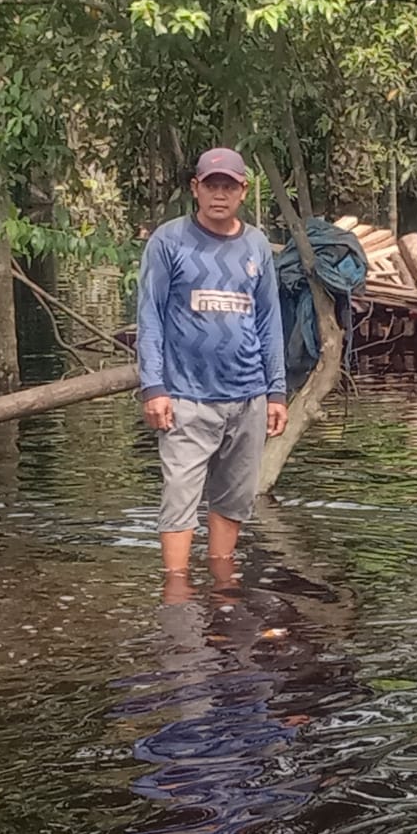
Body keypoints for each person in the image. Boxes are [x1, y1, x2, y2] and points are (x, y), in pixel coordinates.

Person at [137, 147, 287, 578]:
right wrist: (154, 386)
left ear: (243, 191)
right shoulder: (169, 241)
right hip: (185, 396)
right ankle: (177, 592)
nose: (219, 194)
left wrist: (275, 391)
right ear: (195, 189)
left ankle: (223, 586)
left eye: (228, 186)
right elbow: (149, 314)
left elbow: (269, 320)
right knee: (180, 495)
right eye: (211, 185)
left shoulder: (256, 244)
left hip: (248, 395)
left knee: (235, 497)